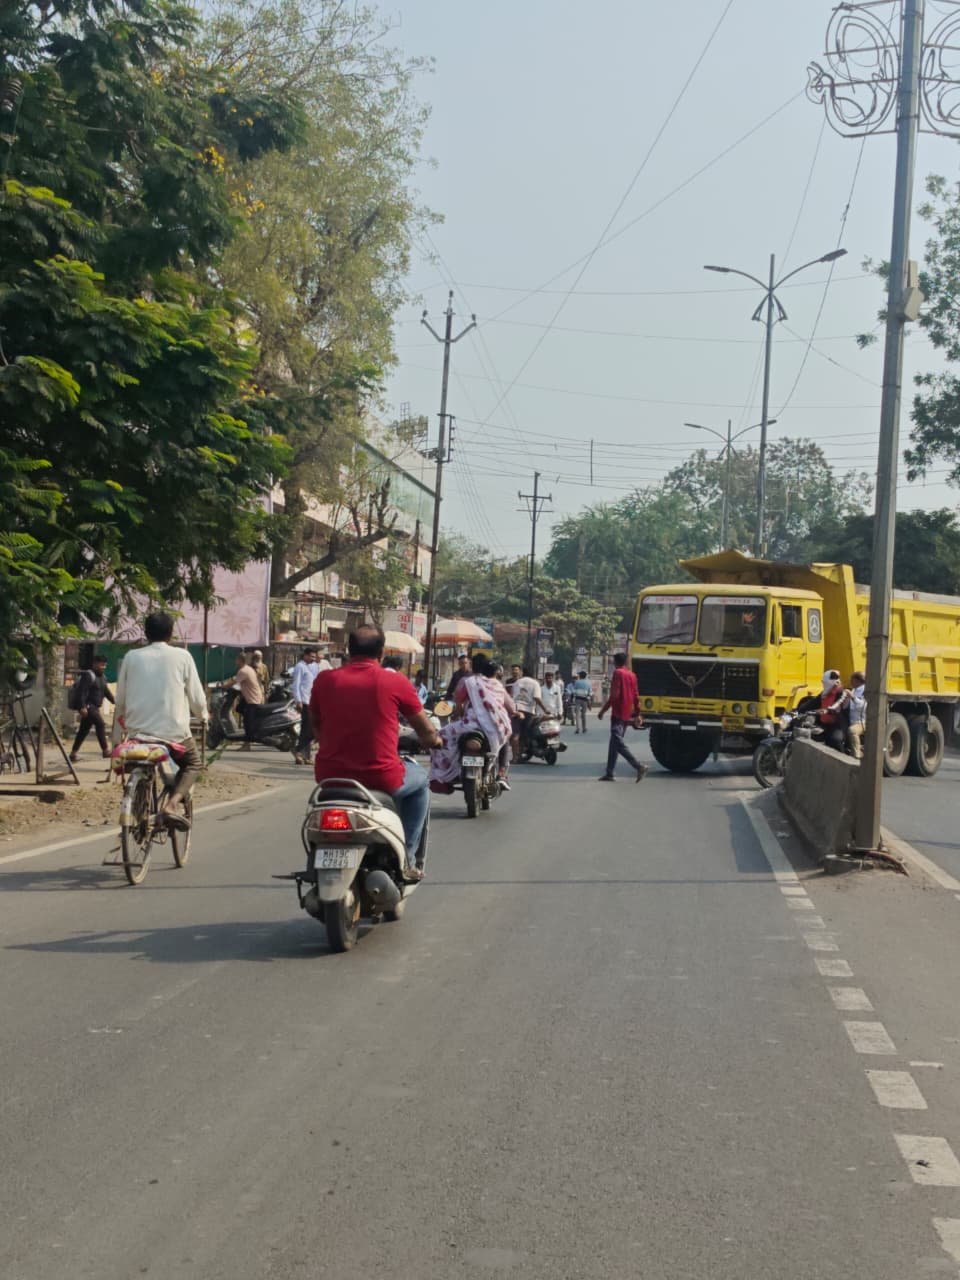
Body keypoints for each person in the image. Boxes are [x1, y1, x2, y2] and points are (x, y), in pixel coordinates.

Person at [309, 625, 442, 880]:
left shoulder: (325, 680)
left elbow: (317, 726)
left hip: (330, 779)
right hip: (381, 779)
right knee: (422, 781)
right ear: (381, 653)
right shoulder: (394, 681)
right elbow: (425, 730)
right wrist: (435, 741)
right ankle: (409, 859)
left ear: (348, 650)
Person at [114, 612, 207, 828]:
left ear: (145, 633)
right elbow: (196, 698)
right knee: (193, 764)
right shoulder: (182, 656)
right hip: (174, 735)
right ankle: (172, 804)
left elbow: (120, 700)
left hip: (137, 735)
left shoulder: (131, 657)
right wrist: (203, 716)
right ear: (170, 633)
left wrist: (121, 731)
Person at [430, 653, 515, 792]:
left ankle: (442, 776)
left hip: (469, 725)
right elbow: (511, 707)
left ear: (472, 666)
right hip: (494, 728)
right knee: (505, 737)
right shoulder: (497, 685)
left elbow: (458, 702)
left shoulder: (467, 682)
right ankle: (502, 774)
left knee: (441, 737)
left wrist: (458, 714)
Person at [597, 653, 647, 782]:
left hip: (618, 713)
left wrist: (603, 710)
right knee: (614, 742)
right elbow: (636, 697)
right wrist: (637, 713)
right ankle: (609, 773)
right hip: (626, 713)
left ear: (615, 662)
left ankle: (638, 766)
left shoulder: (618, 673)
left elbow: (614, 696)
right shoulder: (632, 675)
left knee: (617, 741)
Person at [69, 654, 115, 761]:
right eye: (101, 665)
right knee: (100, 724)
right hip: (89, 706)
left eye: (104, 665)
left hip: (95, 707)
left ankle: (73, 753)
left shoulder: (103, 677)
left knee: (83, 730)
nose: (103, 667)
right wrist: (82, 706)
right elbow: (81, 691)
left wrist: (115, 701)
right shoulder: (88, 675)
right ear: (95, 664)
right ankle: (105, 750)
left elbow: (106, 692)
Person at [226, 652, 264, 751]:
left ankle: (247, 744)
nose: (235, 661)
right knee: (239, 708)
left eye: (236, 660)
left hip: (253, 699)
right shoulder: (248, 669)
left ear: (240, 660)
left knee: (247, 722)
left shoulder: (243, 671)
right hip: (251, 698)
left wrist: (220, 686)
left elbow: (233, 682)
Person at [290, 647, 320, 765]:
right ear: (305, 656)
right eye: (311, 656)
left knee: (311, 729)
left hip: (312, 700)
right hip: (304, 700)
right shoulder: (300, 666)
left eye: (314, 657)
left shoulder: (313, 666)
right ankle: (299, 752)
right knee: (307, 728)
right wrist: (298, 700)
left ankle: (304, 754)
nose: (313, 659)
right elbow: (296, 684)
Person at [512, 665, 547, 759]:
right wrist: (545, 710)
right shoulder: (535, 683)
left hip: (516, 709)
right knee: (524, 734)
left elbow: (513, 696)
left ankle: (515, 757)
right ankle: (520, 755)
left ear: (523, 672)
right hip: (528, 711)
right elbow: (537, 698)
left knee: (516, 734)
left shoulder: (518, 682)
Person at [817, 669, 846, 752]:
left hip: (838, 724)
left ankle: (842, 758)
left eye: (825, 682)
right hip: (825, 723)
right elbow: (812, 703)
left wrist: (828, 711)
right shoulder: (825, 693)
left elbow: (838, 707)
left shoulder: (841, 692)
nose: (823, 684)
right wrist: (798, 710)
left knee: (835, 739)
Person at [843, 670, 867, 759]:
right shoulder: (854, 690)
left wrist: (852, 697)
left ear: (857, 681)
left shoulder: (866, 691)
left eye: (852, 680)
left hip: (862, 722)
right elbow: (846, 707)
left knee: (852, 731)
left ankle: (857, 755)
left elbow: (863, 706)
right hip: (852, 720)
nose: (850, 682)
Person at [570, 670, 592, 735]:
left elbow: (574, 691)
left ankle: (577, 729)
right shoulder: (588, 683)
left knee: (577, 714)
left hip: (578, 699)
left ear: (580, 676)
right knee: (583, 714)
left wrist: (571, 699)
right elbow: (590, 693)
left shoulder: (577, 682)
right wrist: (589, 701)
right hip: (585, 699)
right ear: (585, 676)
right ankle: (584, 728)